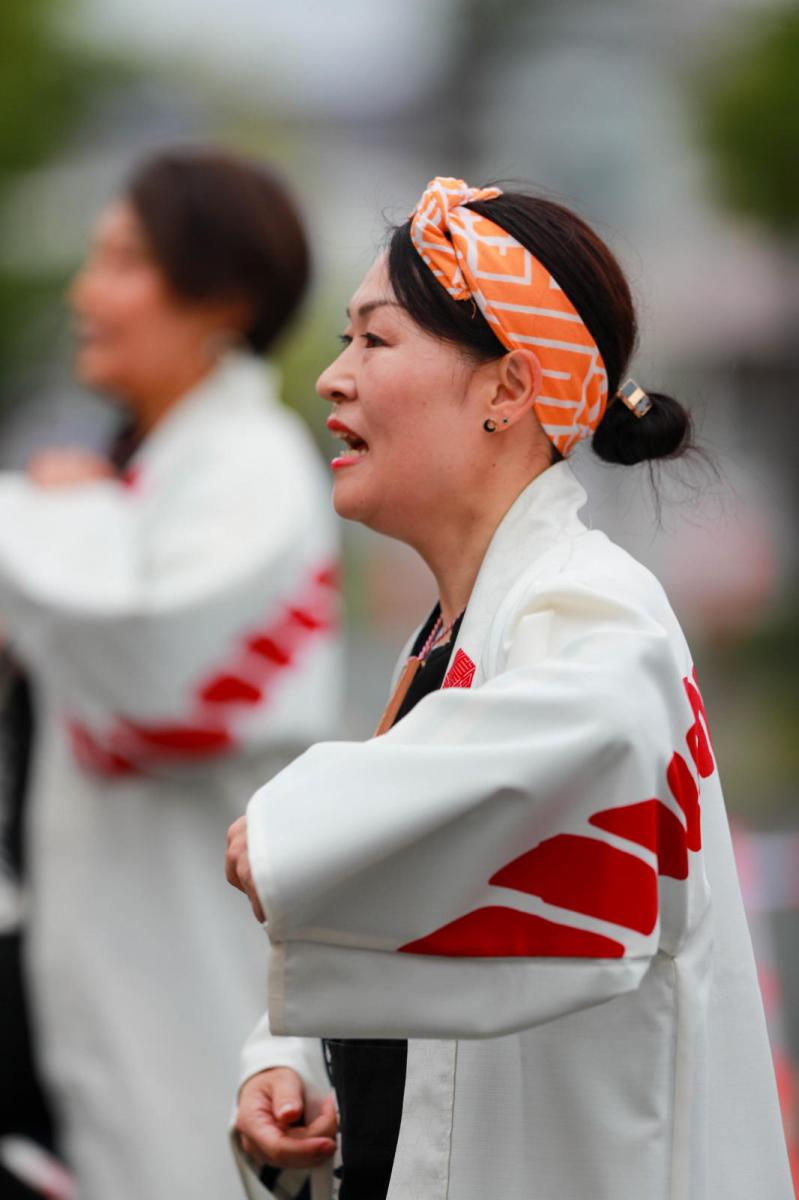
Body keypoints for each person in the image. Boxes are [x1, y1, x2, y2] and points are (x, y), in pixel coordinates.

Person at [225, 177, 793, 1200]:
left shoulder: (597, 609)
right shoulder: (459, 631)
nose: (331, 379)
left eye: (374, 341)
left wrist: (298, 822)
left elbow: (588, 732)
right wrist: (293, 1059)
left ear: (507, 389)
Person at [0, 148, 340, 1200]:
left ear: (221, 297)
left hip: (187, 959)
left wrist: (65, 516)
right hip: (101, 953)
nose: (85, 292)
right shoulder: (143, 471)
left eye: (121, 261)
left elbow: (149, 656)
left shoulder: (251, 466)